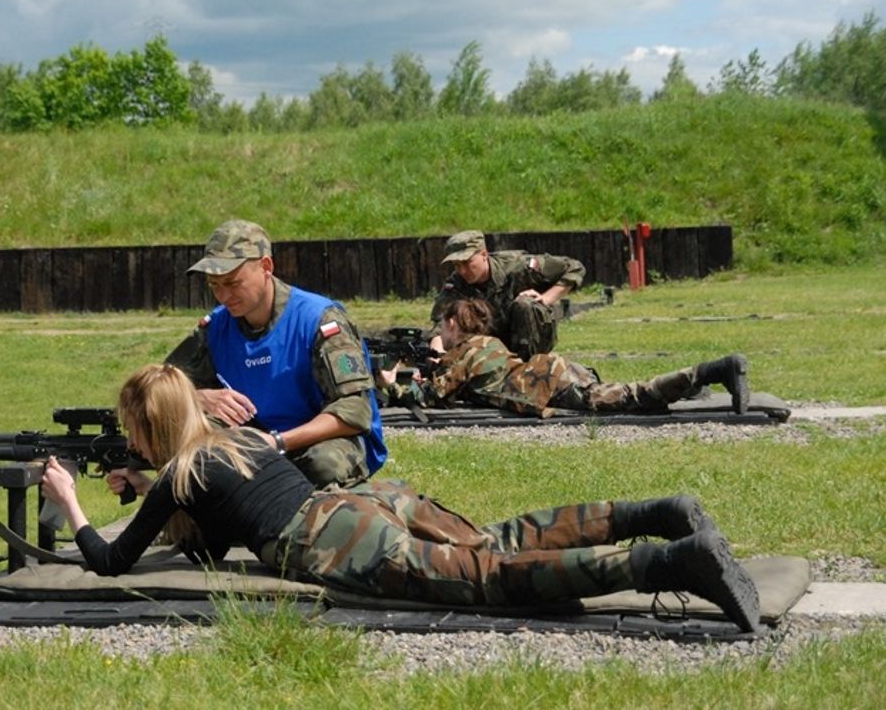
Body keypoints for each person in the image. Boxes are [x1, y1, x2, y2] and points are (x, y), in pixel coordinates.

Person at [40, 363, 762, 633]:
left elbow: (110, 561)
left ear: (149, 428)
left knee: (487, 583)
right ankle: (654, 513)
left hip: (327, 541)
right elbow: (214, 524)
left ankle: (668, 564)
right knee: (498, 543)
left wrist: (73, 503)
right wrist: (144, 486)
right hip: (365, 501)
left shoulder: (179, 475)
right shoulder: (247, 438)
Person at [164, 219, 386, 489]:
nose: (223, 296)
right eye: (214, 285)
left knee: (324, 464)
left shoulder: (320, 320)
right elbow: (159, 388)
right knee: (192, 450)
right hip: (256, 443)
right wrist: (200, 398)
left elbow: (355, 411)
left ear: (266, 267)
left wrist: (277, 442)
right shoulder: (215, 328)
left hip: (320, 443)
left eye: (233, 283)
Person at [384, 298, 750, 416]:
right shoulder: (488, 343)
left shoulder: (463, 354)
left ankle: (708, 372)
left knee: (630, 398)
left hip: (542, 385)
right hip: (549, 370)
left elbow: (430, 397)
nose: (440, 336)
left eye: (442, 329)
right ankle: (690, 384)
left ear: (452, 323)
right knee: (622, 393)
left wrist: (392, 385)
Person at [429, 230, 586, 360]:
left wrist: (547, 298)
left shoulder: (518, 266)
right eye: (456, 265)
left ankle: (528, 365)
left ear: (484, 254)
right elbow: (441, 323)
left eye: (467, 263)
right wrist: (436, 355)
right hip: (488, 346)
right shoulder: (456, 284)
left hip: (530, 338)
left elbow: (574, 267)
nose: (462, 271)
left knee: (525, 304)